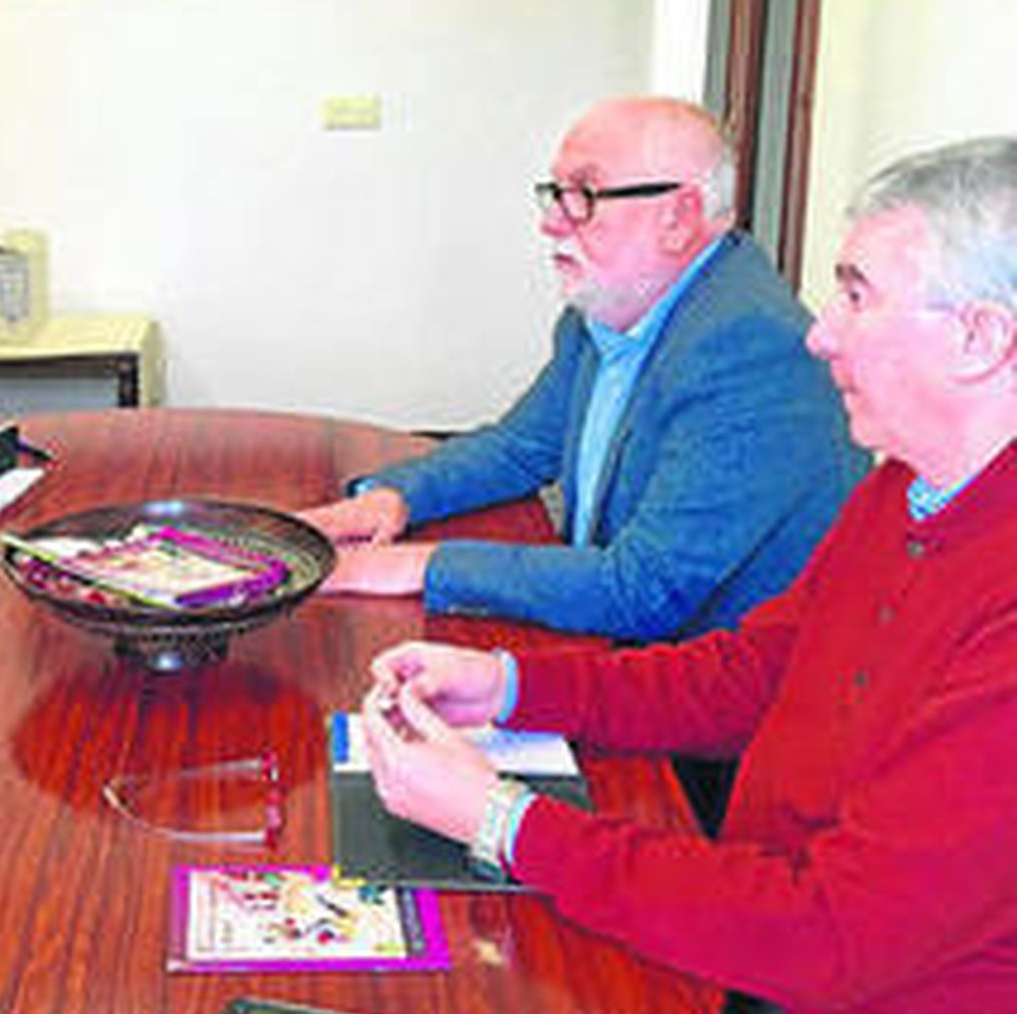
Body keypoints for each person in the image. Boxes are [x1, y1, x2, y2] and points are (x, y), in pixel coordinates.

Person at [359, 135, 1017, 1014]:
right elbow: (748, 676)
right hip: (758, 960)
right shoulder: (902, 488)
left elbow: (832, 932)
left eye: (855, 295)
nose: (819, 336)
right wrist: (504, 685)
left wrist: (501, 819)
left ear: (978, 336)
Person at [302, 96, 865, 644]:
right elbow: (521, 445)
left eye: (583, 196)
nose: (551, 223)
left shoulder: (750, 350)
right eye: (555, 194)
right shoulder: (612, 305)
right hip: (624, 648)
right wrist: (397, 497)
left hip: (717, 704)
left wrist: (424, 567)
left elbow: (642, 590)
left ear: (679, 216)